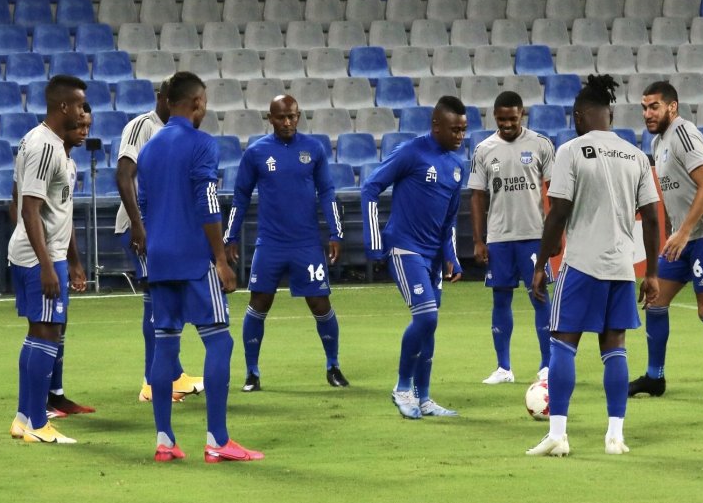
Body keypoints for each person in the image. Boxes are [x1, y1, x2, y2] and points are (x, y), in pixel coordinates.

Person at [526, 74, 661, 457]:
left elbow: (558, 212)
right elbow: (653, 218)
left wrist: (541, 263)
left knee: (562, 344)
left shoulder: (570, 151)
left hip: (582, 264)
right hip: (621, 267)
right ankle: (615, 436)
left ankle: (558, 435)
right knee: (615, 348)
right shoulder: (636, 156)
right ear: (610, 115)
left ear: (578, 116)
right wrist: (651, 273)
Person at [137, 71, 263, 463]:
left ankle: (164, 441)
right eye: (205, 102)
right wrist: (221, 259)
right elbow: (207, 202)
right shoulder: (202, 144)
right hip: (194, 257)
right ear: (196, 103)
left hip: (158, 258)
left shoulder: (149, 150)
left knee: (165, 344)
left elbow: (143, 206)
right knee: (220, 341)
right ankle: (217, 440)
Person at [627, 81, 703, 401]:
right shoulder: (658, 142)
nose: (647, 113)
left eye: (654, 106)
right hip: (681, 240)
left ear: (672, 107)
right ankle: (655, 377)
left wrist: (683, 232)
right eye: (644, 108)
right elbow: (673, 195)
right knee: (655, 301)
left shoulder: (684, 133)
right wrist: (674, 234)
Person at [225, 95, 347, 392]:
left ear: (299, 116)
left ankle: (333, 366)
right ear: (270, 118)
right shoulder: (256, 152)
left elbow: (327, 192)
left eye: (292, 116)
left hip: (307, 243)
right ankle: (252, 373)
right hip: (270, 243)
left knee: (320, 303)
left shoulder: (314, 149)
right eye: (281, 117)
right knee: (259, 303)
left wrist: (336, 233)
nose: (288, 122)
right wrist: (231, 236)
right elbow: (240, 197)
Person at [362, 96, 467, 420]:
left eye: (463, 130)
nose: (460, 136)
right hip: (405, 247)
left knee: (429, 326)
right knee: (426, 318)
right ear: (436, 125)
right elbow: (370, 188)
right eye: (454, 129)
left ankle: (424, 399)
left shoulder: (457, 167)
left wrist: (451, 257)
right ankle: (402, 388)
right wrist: (374, 240)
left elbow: (449, 222)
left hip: (433, 257)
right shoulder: (410, 152)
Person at [8, 76, 89, 444]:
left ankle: (24, 418)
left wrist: (71, 261)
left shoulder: (42, 142)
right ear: (63, 106)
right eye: (79, 106)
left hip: (41, 254)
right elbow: (29, 208)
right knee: (48, 334)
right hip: (39, 257)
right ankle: (39, 424)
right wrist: (46, 264)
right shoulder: (44, 146)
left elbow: (49, 209)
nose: (83, 113)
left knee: (37, 334)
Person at [114, 79, 205, 403]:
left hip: (164, 228)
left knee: (164, 298)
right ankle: (154, 382)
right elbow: (123, 174)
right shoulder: (143, 126)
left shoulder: (179, 134)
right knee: (157, 297)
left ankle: (171, 374)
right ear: (163, 98)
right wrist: (138, 225)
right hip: (142, 227)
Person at [469, 91, 555, 385]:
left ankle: (547, 365)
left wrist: (554, 233)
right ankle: (503, 368)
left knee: (539, 295)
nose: (507, 124)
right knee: (500, 299)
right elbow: (477, 196)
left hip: (534, 235)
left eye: (512, 118)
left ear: (522, 114)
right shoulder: (483, 149)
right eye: (501, 119)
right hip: (499, 237)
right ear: (494, 116)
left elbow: (554, 191)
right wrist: (478, 240)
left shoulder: (541, 144)